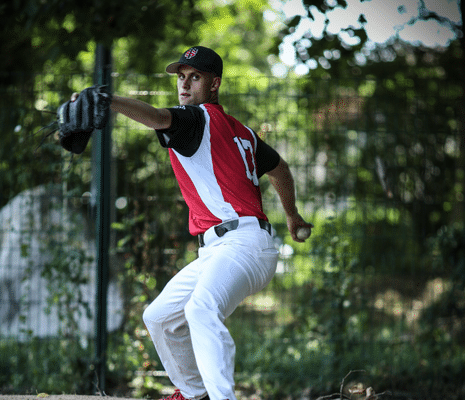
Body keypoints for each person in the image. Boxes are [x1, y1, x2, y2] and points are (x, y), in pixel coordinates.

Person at [76, 46, 311, 400]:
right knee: (159, 317)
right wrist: (292, 215)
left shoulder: (197, 118)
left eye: (195, 77)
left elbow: (158, 117)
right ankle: (193, 392)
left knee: (201, 308)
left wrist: (110, 100)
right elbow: (280, 170)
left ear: (213, 84)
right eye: (180, 77)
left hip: (243, 246)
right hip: (224, 249)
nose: (184, 84)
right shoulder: (242, 132)